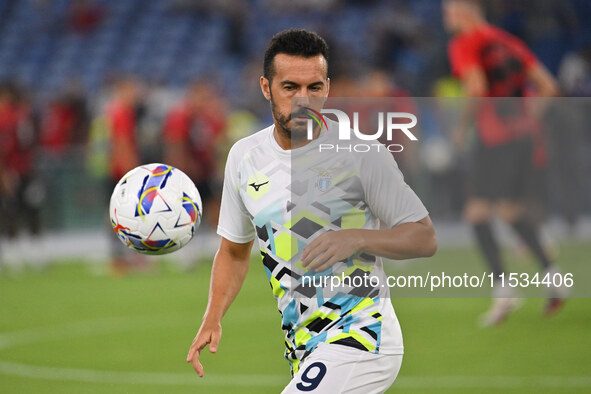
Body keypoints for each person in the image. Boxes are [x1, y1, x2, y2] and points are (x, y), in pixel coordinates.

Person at [186, 29, 437, 393]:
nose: (303, 100)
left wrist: (357, 237)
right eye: (290, 87)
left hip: (362, 337)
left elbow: (424, 236)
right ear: (265, 87)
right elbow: (234, 250)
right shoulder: (244, 157)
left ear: (328, 88)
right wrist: (213, 315)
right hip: (304, 349)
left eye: (314, 88)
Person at [443, 0, 563, 326]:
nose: (446, 17)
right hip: (523, 137)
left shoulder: (465, 42)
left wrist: (462, 126)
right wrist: (528, 120)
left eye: (450, 10)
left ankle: (504, 289)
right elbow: (549, 87)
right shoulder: (509, 42)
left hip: (493, 137)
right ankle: (553, 279)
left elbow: (476, 87)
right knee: (510, 211)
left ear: (467, 12)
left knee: (477, 212)